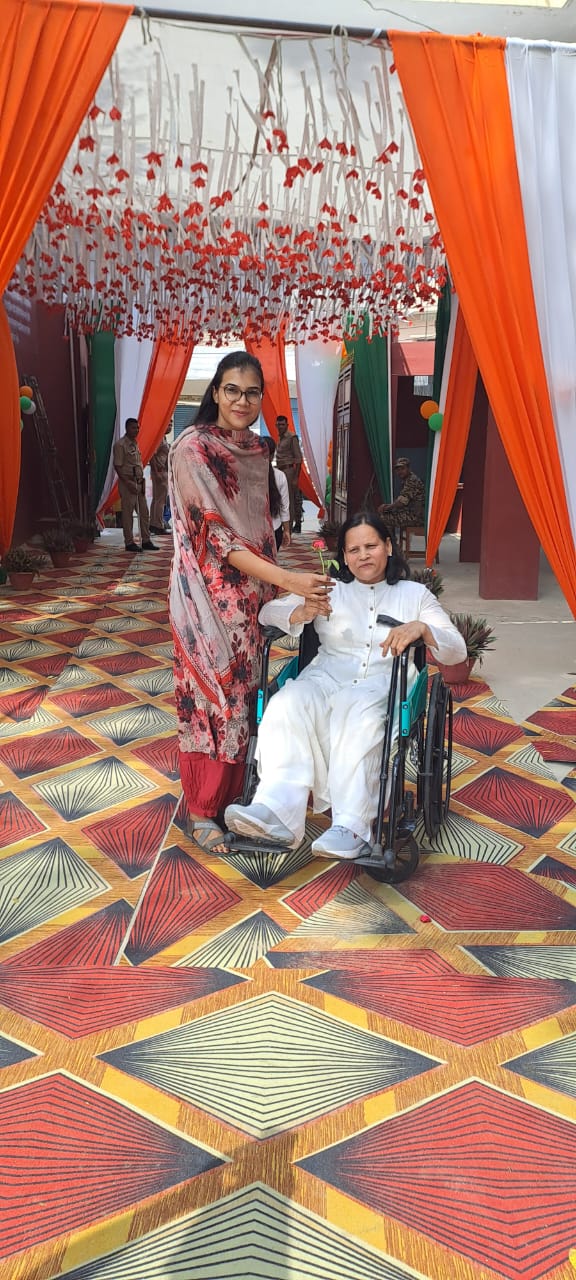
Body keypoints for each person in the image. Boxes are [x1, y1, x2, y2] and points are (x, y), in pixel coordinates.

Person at [225, 510, 466, 860]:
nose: (363, 555)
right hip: (327, 675)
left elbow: (456, 650)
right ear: (345, 557)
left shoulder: (415, 595)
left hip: (383, 681)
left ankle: (352, 825)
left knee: (357, 714)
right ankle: (276, 811)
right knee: (287, 704)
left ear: (388, 547)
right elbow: (267, 615)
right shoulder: (330, 590)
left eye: (371, 546)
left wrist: (423, 629)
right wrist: (299, 613)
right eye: (354, 550)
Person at [168, 351, 331, 855]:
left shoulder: (259, 451)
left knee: (245, 696)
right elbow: (216, 536)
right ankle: (201, 808)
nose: (242, 401)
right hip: (205, 596)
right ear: (216, 392)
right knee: (212, 697)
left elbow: (263, 527)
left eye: (252, 392)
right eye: (232, 390)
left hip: (252, 595)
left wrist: (277, 587)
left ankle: (236, 793)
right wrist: (288, 578)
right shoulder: (192, 449)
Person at [113, 417, 158, 552]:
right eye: (133, 428)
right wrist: (128, 483)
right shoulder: (121, 445)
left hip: (139, 482)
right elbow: (118, 466)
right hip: (128, 482)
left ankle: (146, 540)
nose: (136, 430)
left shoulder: (135, 443)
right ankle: (129, 542)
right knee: (128, 514)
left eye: (137, 428)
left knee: (144, 512)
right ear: (127, 428)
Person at [379, 457, 425, 530]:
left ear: (409, 469)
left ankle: (389, 537)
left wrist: (386, 507)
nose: (400, 472)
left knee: (384, 518)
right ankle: (390, 537)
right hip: (412, 513)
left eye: (402, 469)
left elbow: (401, 503)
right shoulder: (407, 480)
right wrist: (388, 507)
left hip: (417, 517)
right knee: (388, 513)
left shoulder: (412, 481)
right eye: (398, 469)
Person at [275, 414, 303, 533]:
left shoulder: (292, 437)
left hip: (289, 471)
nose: (280, 427)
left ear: (287, 425)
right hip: (280, 470)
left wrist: (296, 478)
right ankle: (283, 527)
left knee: (289, 501)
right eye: (278, 424)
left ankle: (289, 530)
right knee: (281, 499)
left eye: (282, 424)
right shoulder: (280, 438)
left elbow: (299, 459)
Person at [264, 436, 291, 551]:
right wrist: (287, 530)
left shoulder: (248, 476)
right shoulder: (280, 476)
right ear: (273, 455)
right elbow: (284, 507)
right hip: (275, 530)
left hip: (252, 533)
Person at [149, 425, 171, 535]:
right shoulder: (159, 439)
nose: (170, 426)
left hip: (161, 471)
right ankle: (158, 525)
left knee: (157, 499)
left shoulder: (163, 438)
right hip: (160, 471)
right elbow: (152, 455)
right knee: (160, 500)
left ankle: (154, 524)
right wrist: (156, 471)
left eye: (171, 424)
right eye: (168, 424)